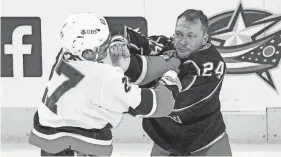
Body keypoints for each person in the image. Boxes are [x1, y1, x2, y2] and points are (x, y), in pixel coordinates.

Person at [28, 12, 182, 156]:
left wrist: (117, 71)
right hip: (78, 145)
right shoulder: (105, 77)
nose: (108, 49)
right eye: (103, 46)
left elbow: (91, 83)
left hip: (49, 141)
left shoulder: (64, 54)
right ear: (87, 53)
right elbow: (154, 105)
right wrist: (170, 79)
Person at [110, 9, 232, 156]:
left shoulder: (212, 65)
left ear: (205, 39)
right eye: (179, 34)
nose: (182, 42)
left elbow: (174, 104)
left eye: (191, 36)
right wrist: (118, 42)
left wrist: (125, 93)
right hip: (164, 145)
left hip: (207, 145)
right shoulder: (165, 46)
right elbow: (118, 30)